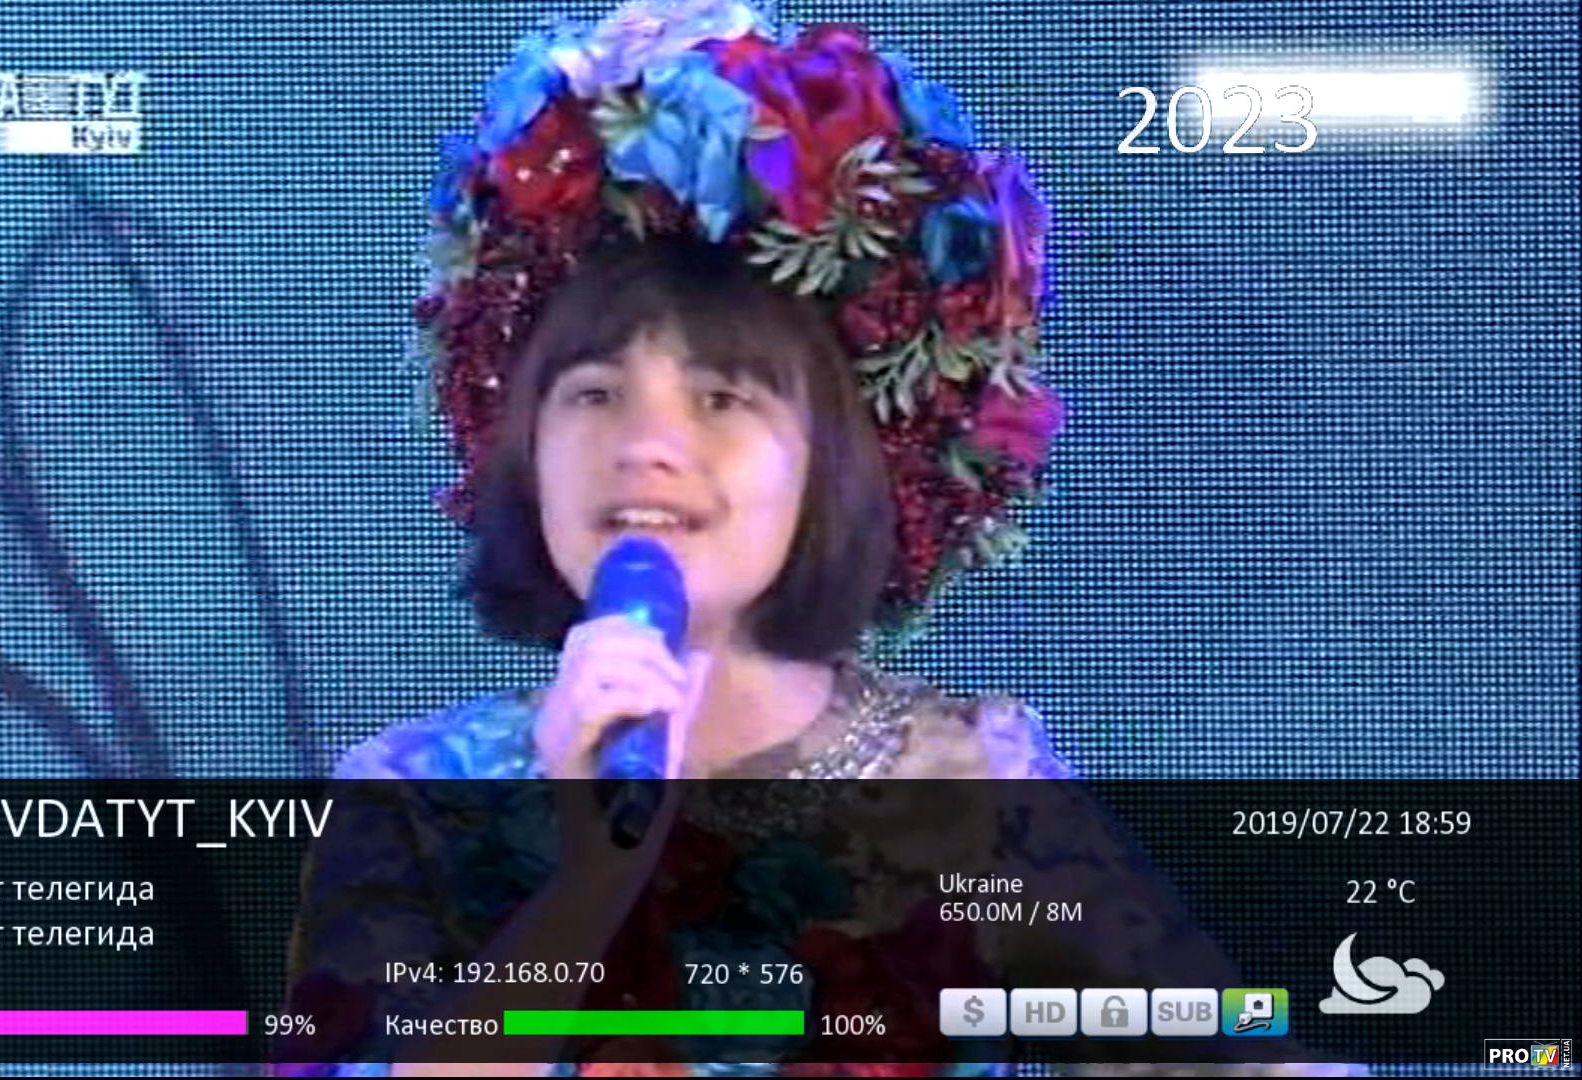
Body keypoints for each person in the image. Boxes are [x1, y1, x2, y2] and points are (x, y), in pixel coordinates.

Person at [274, 2, 1351, 1075]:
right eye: (594, 394)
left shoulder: (966, 786)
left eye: (722, 399)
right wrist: (587, 879)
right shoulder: (416, 796)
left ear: (831, 464)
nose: (647, 446)